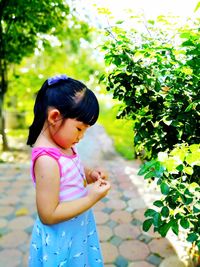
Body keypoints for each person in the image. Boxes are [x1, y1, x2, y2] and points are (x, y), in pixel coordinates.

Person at [27, 74, 111, 267]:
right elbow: (48, 215)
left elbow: (72, 167)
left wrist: (90, 174)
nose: (81, 136)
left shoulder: (62, 143)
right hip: (61, 240)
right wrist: (91, 198)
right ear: (55, 117)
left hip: (75, 231)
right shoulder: (47, 160)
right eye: (79, 129)